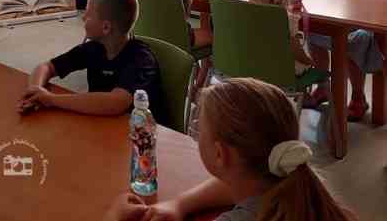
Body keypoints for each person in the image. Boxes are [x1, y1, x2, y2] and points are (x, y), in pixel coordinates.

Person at [103, 78, 356, 221]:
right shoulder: (302, 190)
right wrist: (180, 204)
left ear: (219, 154)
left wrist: (112, 219)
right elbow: (238, 178)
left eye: (198, 128)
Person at [17, 0, 162, 118]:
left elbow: (116, 103)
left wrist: (51, 99)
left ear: (106, 27)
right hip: (98, 124)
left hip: (134, 134)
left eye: (88, 14)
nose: (83, 18)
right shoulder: (94, 47)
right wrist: (35, 92)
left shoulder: (141, 59)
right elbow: (47, 67)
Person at [306, 0, 387, 120]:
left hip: (377, 21)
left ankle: (358, 98)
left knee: (355, 41)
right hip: (355, 13)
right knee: (314, 31)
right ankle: (323, 87)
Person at [247, 0, 313, 75]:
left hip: (251, 68)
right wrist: (309, 62)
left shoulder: (245, 14)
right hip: (281, 71)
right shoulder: (288, 19)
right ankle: (323, 88)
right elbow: (296, 51)